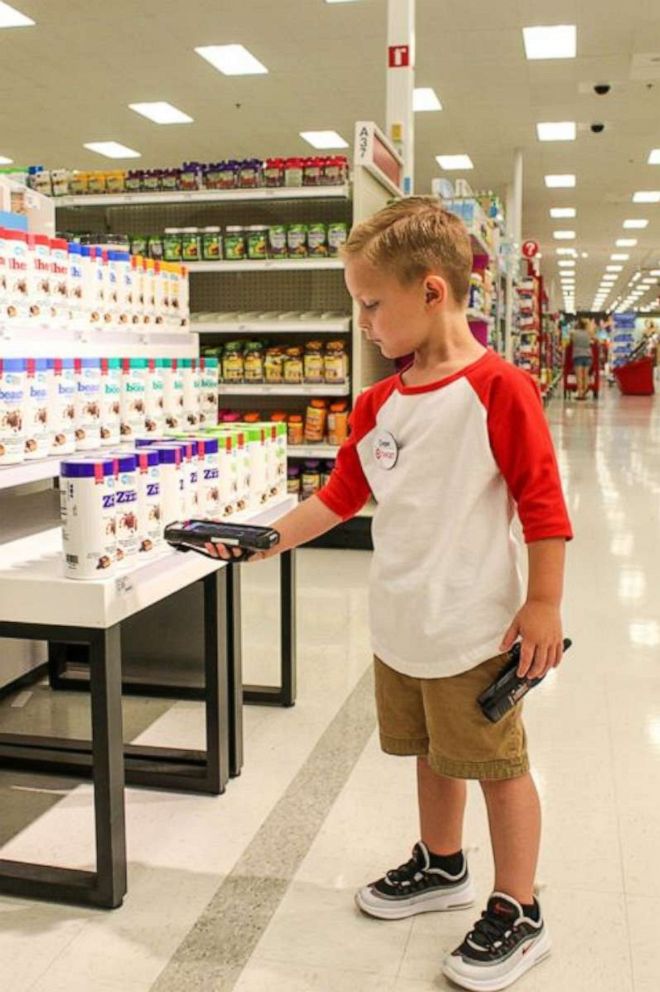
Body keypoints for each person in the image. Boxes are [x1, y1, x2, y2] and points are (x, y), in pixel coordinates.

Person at [208, 197, 573, 991]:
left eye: (373, 304)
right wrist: (266, 538)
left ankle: (521, 905)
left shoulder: (499, 389)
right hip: (400, 624)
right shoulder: (377, 403)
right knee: (430, 755)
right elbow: (339, 498)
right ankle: (443, 864)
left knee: (498, 765)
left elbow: (543, 507)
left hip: (474, 629)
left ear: (433, 291)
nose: (366, 321)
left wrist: (542, 604)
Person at [568, 317, 594, 400]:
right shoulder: (589, 333)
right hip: (588, 356)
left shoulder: (574, 333)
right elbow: (593, 340)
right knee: (585, 375)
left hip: (578, 356)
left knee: (579, 376)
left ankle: (580, 394)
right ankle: (585, 389)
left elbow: (570, 338)